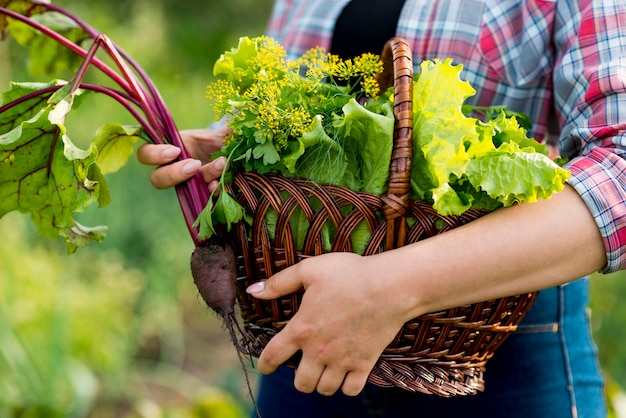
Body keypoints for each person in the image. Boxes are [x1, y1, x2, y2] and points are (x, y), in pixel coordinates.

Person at [137, 0, 626, 416]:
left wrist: (391, 285)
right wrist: (225, 149)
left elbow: (620, 171)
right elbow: (304, 118)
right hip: (304, 335)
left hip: (492, 343)